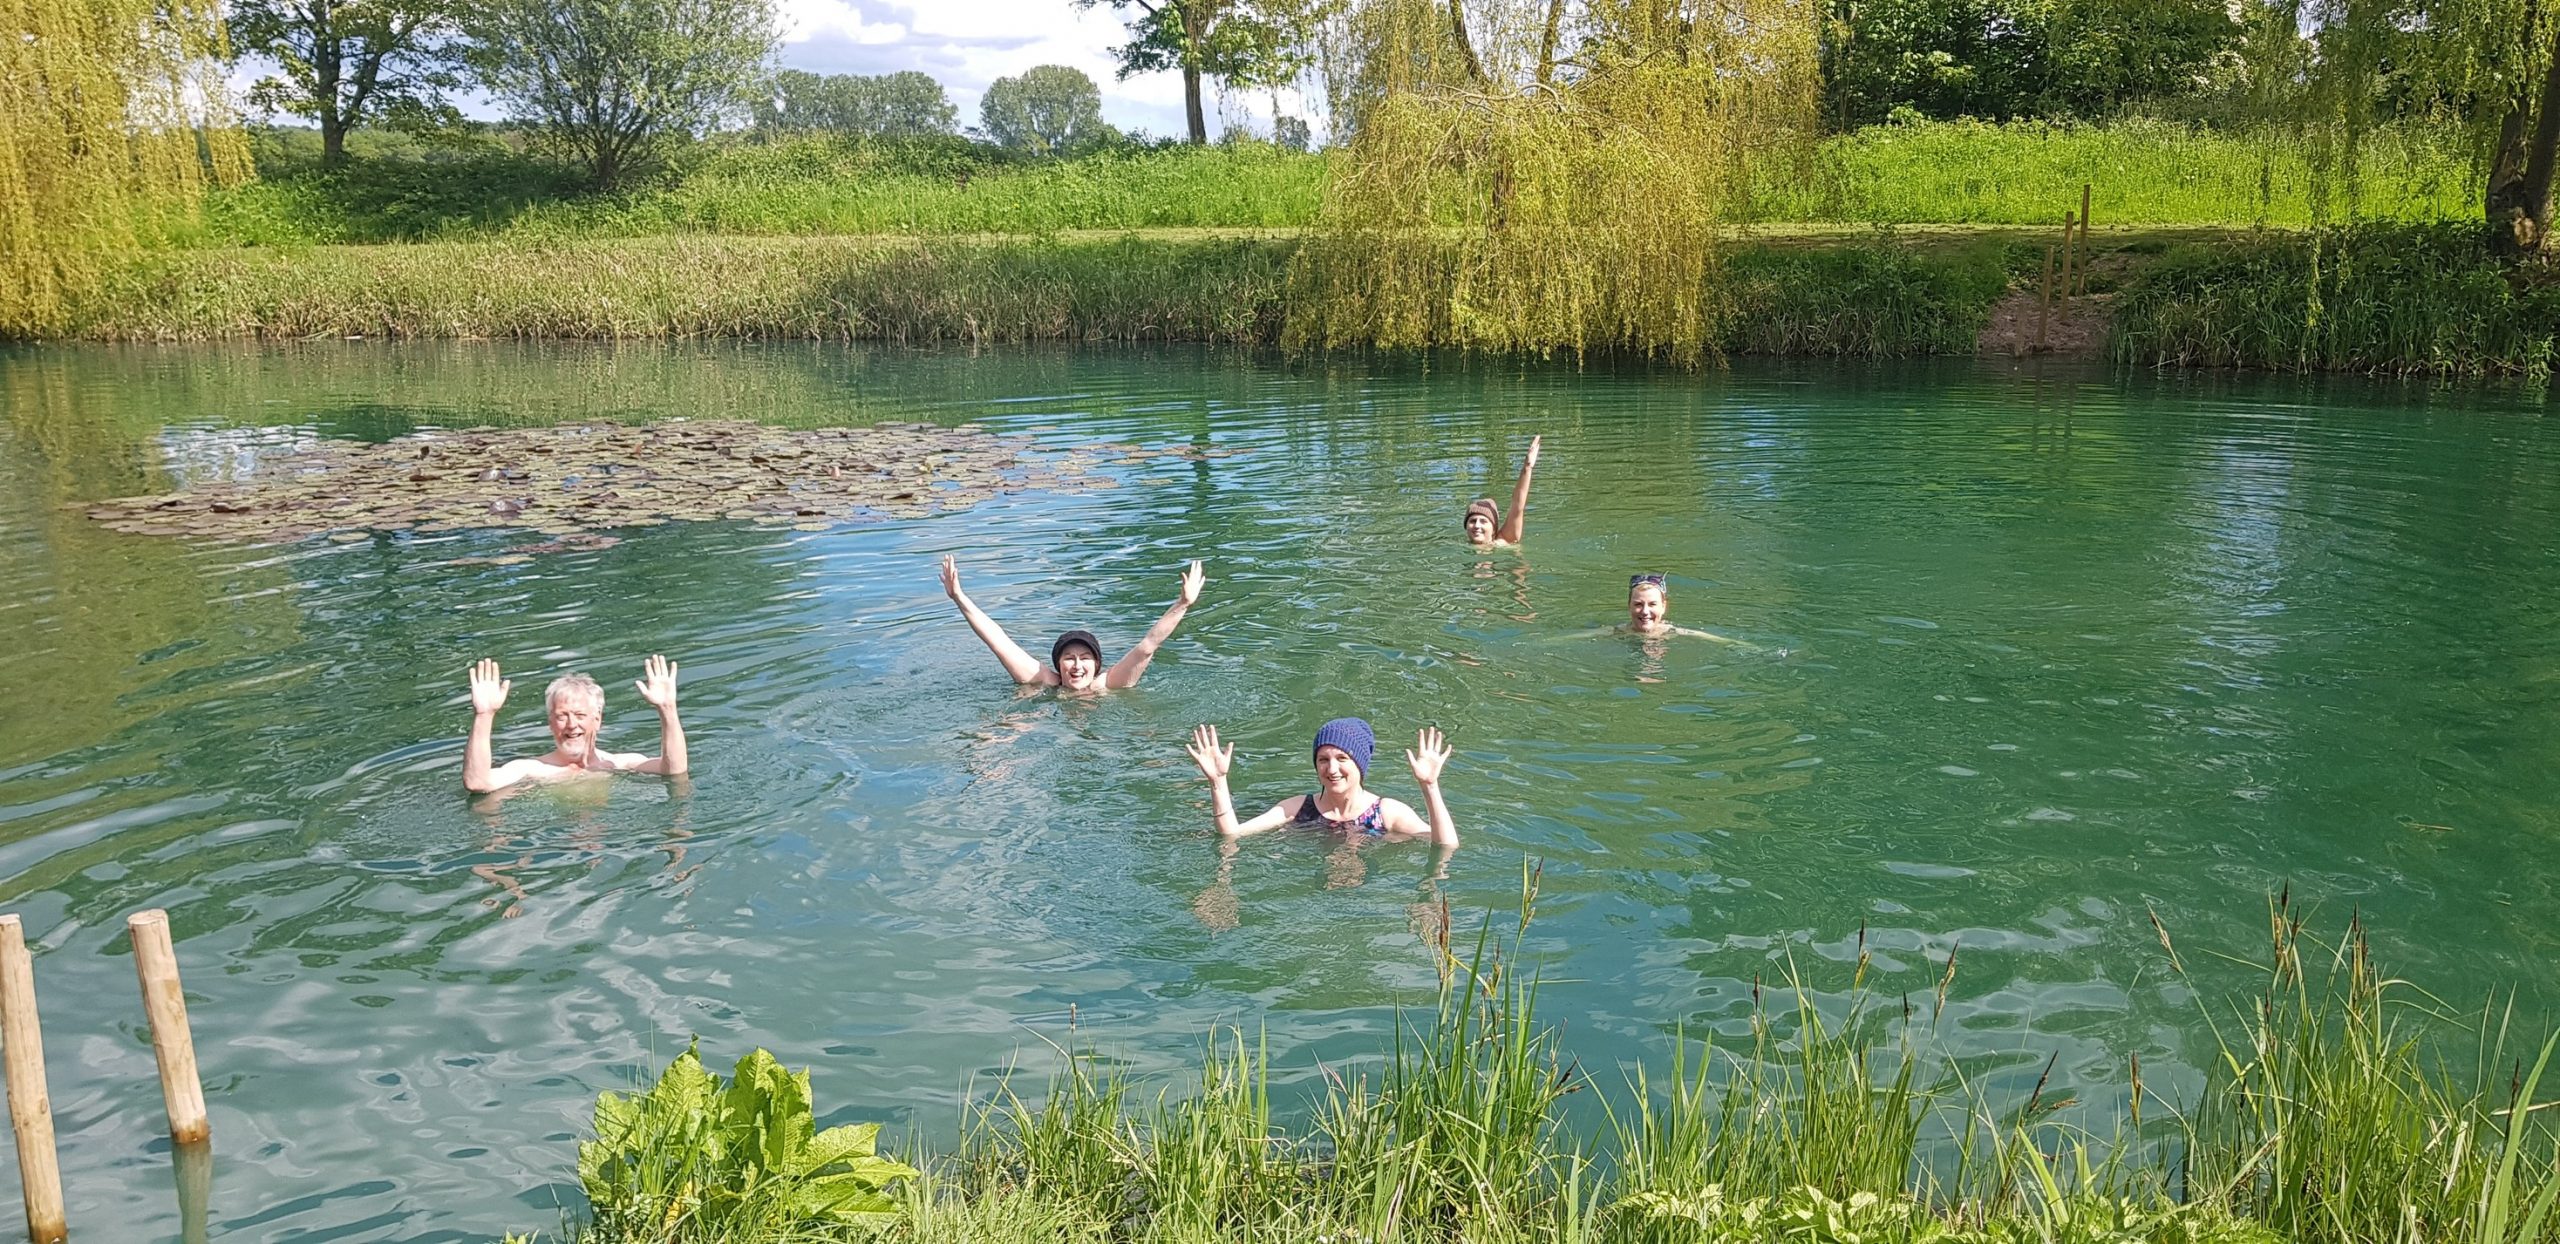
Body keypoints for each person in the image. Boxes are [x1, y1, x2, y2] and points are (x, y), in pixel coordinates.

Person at [941, 554, 1203, 693]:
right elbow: (998, 641)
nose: (1077, 666)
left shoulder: (1108, 685)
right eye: (1069, 658)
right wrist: (959, 598)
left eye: (1085, 657)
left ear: (1097, 664)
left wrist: (1182, 604)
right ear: (1058, 665)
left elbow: (1148, 645)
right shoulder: (1046, 682)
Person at [1184, 718, 1458, 848]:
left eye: (1342, 758)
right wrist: (1218, 782)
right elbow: (1232, 833)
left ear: (1360, 765)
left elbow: (1446, 845)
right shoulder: (1298, 808)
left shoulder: (1386, 812)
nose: (1333, 768)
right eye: (1323, 759)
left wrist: (1430, 786)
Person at [462, 656, 688, 793]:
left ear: (597, 719)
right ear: (550, 723)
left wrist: (667, 708)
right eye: (562, 716)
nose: (571, 725)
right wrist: (484, 714)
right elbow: (478, 782)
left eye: (580, 715)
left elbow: (674, 769)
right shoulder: (531, 770)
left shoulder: (618, 764)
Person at [1463, 435, 1541, 548]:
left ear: (1494, 528)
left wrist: (1527, 468)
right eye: (1473, 521)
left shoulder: (1503, 541)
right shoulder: (1458, 544)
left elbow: (1517, 506)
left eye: (1483, 521)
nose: (1477, 525)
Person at [1623, 573, 1745, 643]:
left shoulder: (1675, 632)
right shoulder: (1614, 633)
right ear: (1629, 606)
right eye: (1638, 604)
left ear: (1663, 606)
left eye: (1652, 604)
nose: (1645, 612)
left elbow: (1722, 641)